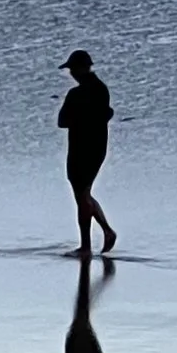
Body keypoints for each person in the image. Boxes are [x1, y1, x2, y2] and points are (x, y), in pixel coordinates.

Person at [57, 49, 117, 258]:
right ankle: (102, 234)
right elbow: (103, 115)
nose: (72, 73)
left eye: (74, 69)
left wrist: (79, 117)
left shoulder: (77, 94)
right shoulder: (101, 89)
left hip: (83, 149)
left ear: (83, 68)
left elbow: (62, 121)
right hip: (96, 147)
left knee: (82, 195)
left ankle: (88, 244)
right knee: (83, 194)